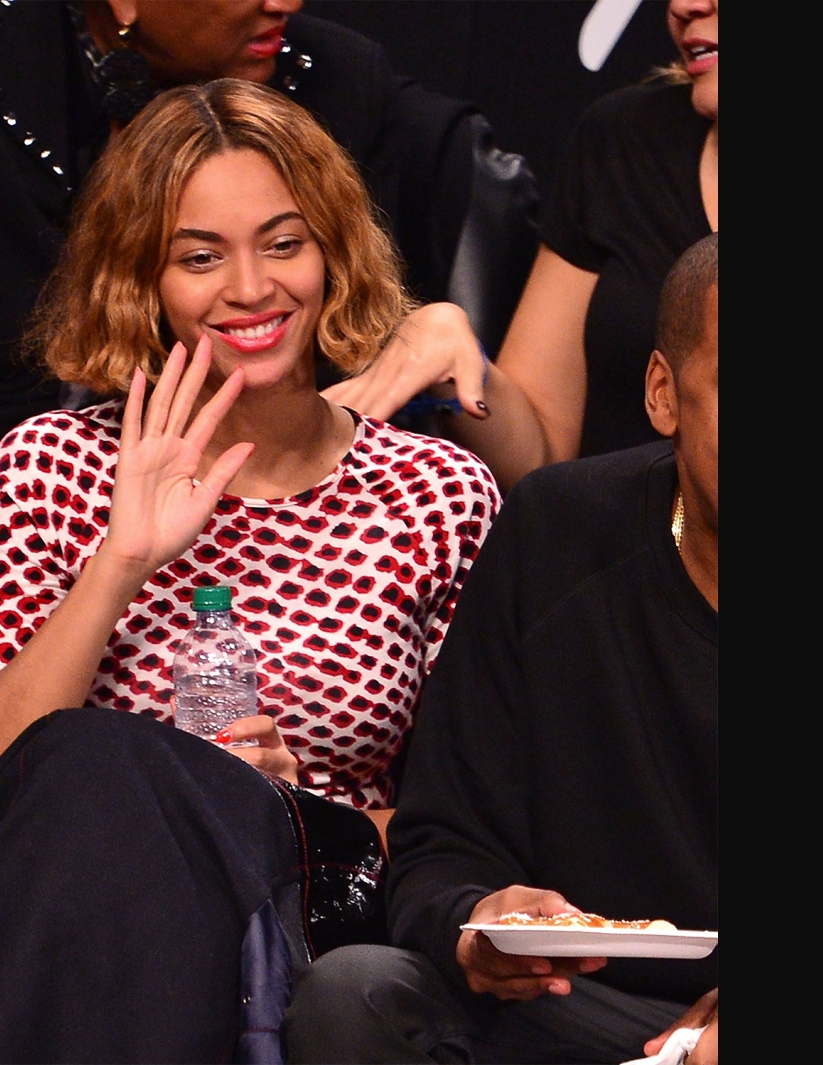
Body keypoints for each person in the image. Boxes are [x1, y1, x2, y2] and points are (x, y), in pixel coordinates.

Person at [0, 0, 511, 944]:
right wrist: (118, 561)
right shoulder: (52, 468)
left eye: (284, 244)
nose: (250, 288)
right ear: (141, 284)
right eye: (200, 258)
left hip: (317, 935)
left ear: (335, 254)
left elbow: (467, 836)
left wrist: (287, 811)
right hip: (75, 932)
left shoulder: (433, 495)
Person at [282, 231, 718, 1065]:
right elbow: (440, 843)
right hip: (577, 1008)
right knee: (358, 996)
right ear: (663, 392)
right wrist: (481, 922)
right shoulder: (560, 533)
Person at [437, 0, 718, 492]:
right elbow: (539, 457)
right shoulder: (624, 139)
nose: (686, 5)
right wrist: (448, 358)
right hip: (614, 558)